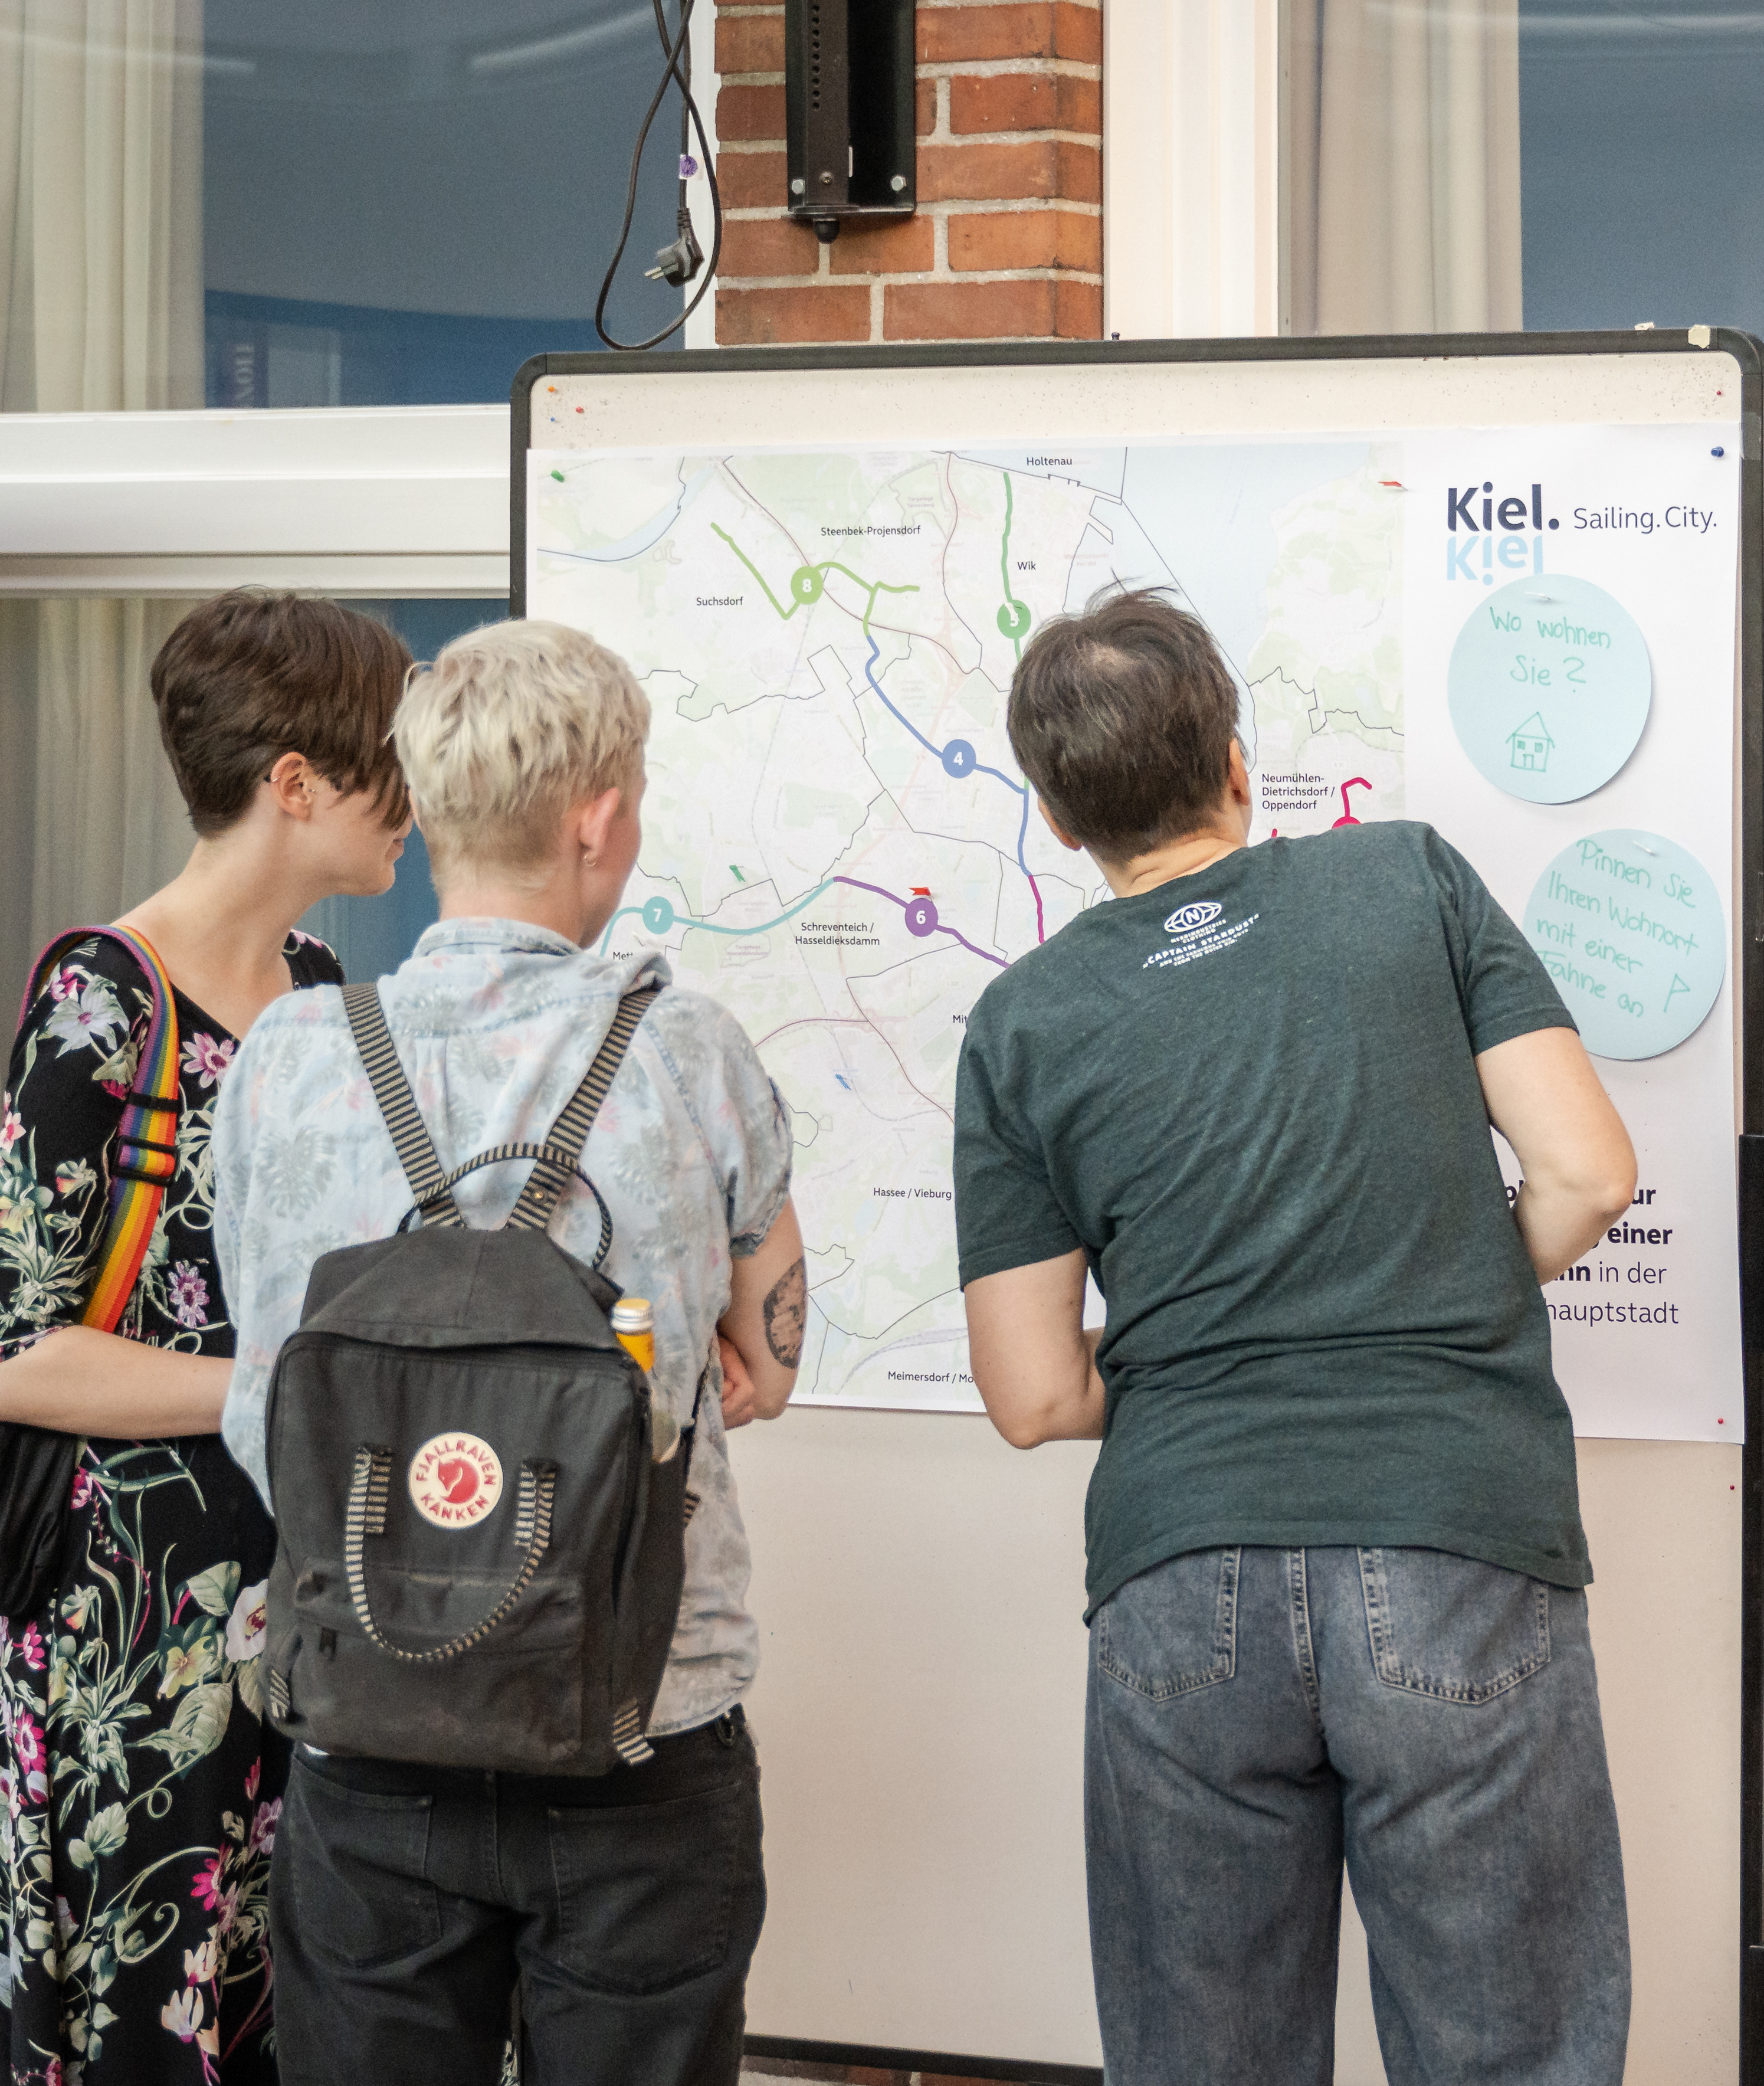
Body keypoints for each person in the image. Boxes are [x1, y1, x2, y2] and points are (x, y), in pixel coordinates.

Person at [954, 591, 1640, 2086]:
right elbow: (1589, 1175)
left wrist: (1207, 1355)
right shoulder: (1406, 880)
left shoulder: (1024, 1022)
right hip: (1455, 1537)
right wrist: (1434, 1279)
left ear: (1064, 823)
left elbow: (1032, 1392)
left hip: (1178, 1568)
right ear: (1236, 760)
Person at [207, 620, 807, 2086]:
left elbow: (266, 1370)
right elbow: (771, 1356)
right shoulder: (688, 1051)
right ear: (599, 817)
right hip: (636, 1735)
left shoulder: (287, 1054)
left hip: (362, 1719)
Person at [0, 591, 415, 2082]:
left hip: (290, 1600)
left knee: (288, 1999)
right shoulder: (102, 999)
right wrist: (282, 1390)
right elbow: (16, 1345)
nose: (414, 810)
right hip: (129, 1617)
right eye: (390, 765)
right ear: (294, 783)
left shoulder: (321, 1000)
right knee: (146, 2019)